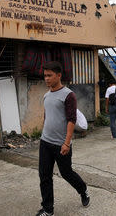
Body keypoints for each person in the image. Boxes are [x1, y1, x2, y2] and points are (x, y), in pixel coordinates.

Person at [37, 61, 89, 216]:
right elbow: (47, 117)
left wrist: (67, 142)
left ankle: (83, 190)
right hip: (45, 142)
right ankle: (48, 209)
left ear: (58, 76)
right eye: (45, 75)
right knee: (44, 176)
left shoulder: (68, 95)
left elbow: (71, 120)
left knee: (66, 173)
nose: (46, 79)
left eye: (49, 75)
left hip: (61, 144)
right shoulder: (46, 95)